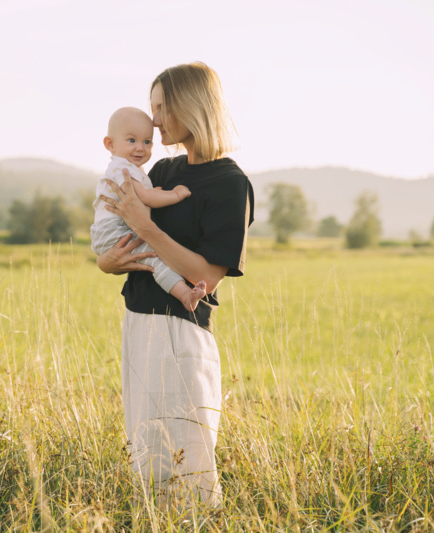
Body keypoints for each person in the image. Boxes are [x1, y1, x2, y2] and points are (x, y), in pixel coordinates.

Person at [96, 62, 255, 510]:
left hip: (182, 329)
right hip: (137, 320)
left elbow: (206, 276)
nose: (155, 121)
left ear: (192, 105)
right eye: (152, 109)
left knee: (187, 453)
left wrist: (147, 229)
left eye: (162, 107)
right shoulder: (161, 171)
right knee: (146, 450)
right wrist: (107, 261)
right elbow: (119, 244)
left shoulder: (230, 183)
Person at [91, 106, 207, 312]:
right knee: (154, 258)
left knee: (152, 255)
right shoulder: (122, 168)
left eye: (147, 142)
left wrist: (152, 192)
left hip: (110, 230)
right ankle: (185, 295)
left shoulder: (131, 168)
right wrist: (175, 195)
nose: (140, 148)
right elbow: (146, 197)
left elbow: (141, 195)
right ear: (110, 144)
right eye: (131, 140)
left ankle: (184, 293)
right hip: (112, 231)